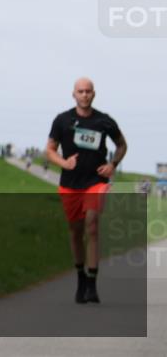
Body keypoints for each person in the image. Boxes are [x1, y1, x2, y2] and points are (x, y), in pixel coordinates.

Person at [45, 77, 127, 304]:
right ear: (74, 94)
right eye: (80, 91)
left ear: (94, 94)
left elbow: (122, 145)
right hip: (70, 184)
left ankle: (92, 283)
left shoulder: (104, 121)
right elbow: (49, 150)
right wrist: (64, 163)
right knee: (75, 232)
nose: (84, 95)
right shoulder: (62, 120)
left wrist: (112, 165)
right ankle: (81, 278)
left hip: (96, 181)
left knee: (91, 226)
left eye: (88, 91)